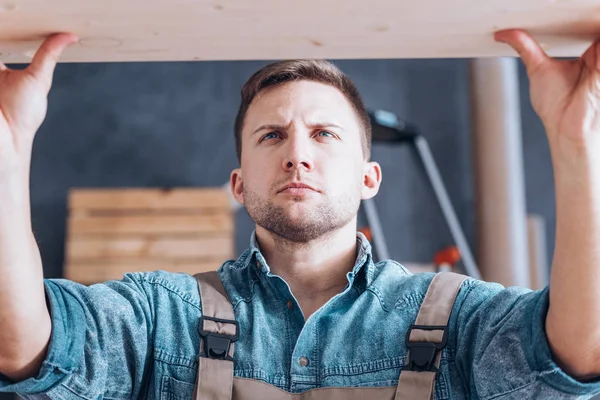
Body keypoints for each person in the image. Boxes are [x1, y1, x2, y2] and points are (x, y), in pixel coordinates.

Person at [0, 28, 599, 399]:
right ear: (238, 183)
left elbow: (575, 359)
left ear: (370, 177)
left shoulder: (457, 320)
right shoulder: (163, 318)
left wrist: (578, 144)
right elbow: (26, 351)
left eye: (324, 134)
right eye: (271, 136)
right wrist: (5, 151)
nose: (296, 155)